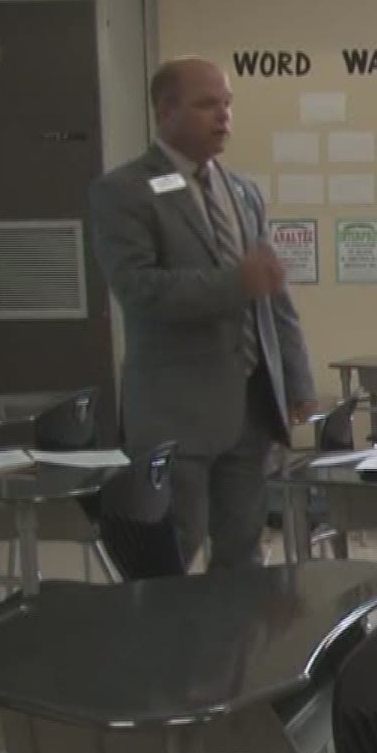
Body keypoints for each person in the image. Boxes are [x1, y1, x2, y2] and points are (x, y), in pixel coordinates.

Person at [88, 56, 317, 570]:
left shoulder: (242, 191)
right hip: (177, 412)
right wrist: (233, 284)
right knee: (171, 553)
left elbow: (274, 296)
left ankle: (236, 649)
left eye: (228, 104)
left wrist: (297, 379)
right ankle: (168, 649)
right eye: (208, 104)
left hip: (250, 407)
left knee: (242, 552)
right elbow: (138, 288)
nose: (224, 116)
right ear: (166, 111)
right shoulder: (122, 192)